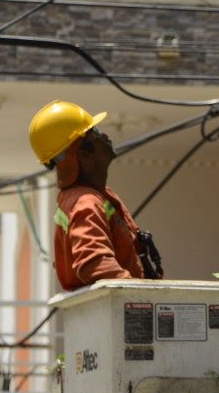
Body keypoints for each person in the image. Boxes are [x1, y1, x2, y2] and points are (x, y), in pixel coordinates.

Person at [27, 100, 163, 290]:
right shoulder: (86, 203)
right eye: (96, 133)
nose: (105, 136)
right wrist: (139, 295)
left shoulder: (95, 197)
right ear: (83, 154)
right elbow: (94, 264)